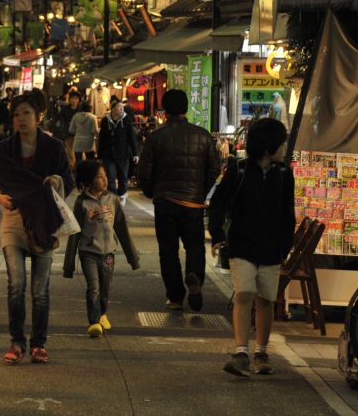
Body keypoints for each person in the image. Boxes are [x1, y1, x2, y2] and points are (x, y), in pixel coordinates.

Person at [208, 118, 296, 376]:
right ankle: (241, 351)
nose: (284, 148)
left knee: (266, 299)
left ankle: (262, 350)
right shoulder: (239, 169)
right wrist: (216, 235)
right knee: (245, 294)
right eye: (281, 144)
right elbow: (218, 203)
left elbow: (288, 214)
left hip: (271, 247)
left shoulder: (283, 174)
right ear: (269, 147)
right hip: (241, 243)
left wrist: (285, 246)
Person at [0, 92, 74, 365]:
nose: (20, 119)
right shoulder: (4, 149)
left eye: (26, 113)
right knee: (17, 284)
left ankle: (39, 343)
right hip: (14, 222)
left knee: (40, 290)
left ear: (38, 116)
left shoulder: (54, 147)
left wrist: (55, 181)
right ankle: (17, 342)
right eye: (16, 114)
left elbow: (68, 181)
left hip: (43, 222)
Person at [136, 88, 221, 311]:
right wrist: (201, 191)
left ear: (165, 110)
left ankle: (175, 296)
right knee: (195, 246)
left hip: (165, 200)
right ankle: (194, 277)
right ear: (186, 108)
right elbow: (214, 167)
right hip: (192, 202)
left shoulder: (156, 137)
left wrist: (151, 192)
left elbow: (143, 171)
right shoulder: (202, 135)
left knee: (168, 250)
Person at [63, 161, 139, 337]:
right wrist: (69, 265)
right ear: (89, 180)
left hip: (108, 254)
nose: (105, 180)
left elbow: (121, 228)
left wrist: (132, 258)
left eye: (105, 176)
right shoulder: (81, 202)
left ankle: (103, 313)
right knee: (94, 287)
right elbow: (74, 233)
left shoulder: (112, 199)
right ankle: (94, 322)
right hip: (88, 252)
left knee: (105, 288)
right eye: (99, 177)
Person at [97, 98, 140, 201]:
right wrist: (100, 156)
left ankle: (121, 194)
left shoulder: (126, 120)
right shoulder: (105, 121)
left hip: (123, 155)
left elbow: (132, 137)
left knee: (123, 180)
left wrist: (135, 153)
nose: (122, 110)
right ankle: (114, 199)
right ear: (112, 109)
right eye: (119, 108)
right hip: (108, 155)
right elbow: (101, 139)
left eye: (122, 108)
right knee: (111, 179)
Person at [68, 100, 99, 164]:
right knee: (90, 163)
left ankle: (79, 173)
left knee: (78, 162)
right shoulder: (93, 117)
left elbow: (71, 130)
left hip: (78, 142)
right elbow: (94, 130)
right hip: (89, 143)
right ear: (90, 108)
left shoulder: (75, 116)